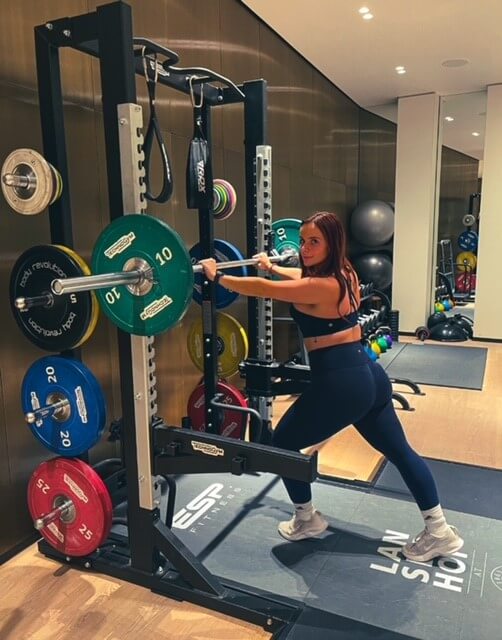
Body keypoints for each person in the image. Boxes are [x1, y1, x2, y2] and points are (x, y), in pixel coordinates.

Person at [199, 211, 463, 562]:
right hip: (368, 374)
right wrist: (272, 265)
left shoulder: (318, 286)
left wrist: (220, 278)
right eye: (304, 241)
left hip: (341, 383)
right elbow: (293, 278)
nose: (305, 249)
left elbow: (269, 291)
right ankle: (438, 530)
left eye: (314, 242)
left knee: (283, 446)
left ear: (332, 243)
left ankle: (306, 519)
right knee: (400, 452)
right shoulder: (345, 274)